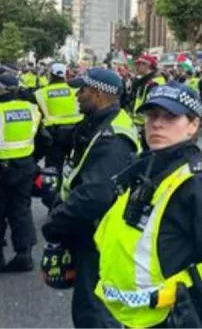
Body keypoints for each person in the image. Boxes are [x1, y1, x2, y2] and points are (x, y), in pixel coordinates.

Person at [93, 82, 202, 328]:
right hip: (139, 315)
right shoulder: (150, 165)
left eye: (170, 116)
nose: (157, 124)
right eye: (152, 115)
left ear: (193, 124)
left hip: (181, 316)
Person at [41, 67, 141, 327]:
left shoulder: (113, 137)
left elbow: (95, 194)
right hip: (92, 232)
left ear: (97, 94)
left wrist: (55, 224)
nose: (76, 95)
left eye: (82, 90)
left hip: (100, 237)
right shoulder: (99, 124)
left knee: (94, 314)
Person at [0, 74, 48, 271]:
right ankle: (24, 255)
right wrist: (31, 160)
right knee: (21, 209)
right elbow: (44, 139)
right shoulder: (31, 110)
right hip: (25, 167)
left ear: (2, 89)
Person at [34, 63, 83, 173]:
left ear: (50, 75)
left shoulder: (41, 93)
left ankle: (53, 189)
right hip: (75, 133)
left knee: (53, 169)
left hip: (54, 136)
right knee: (76, 167)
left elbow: (38, 114)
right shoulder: (74, 91)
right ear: (65, 74)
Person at [131, 55, 167, 143]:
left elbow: (153, 106)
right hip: (140, 123)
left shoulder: (155, 82)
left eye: (139, 64)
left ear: (147, 65)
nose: (136, 67)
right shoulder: (145, 81)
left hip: (146, 124)